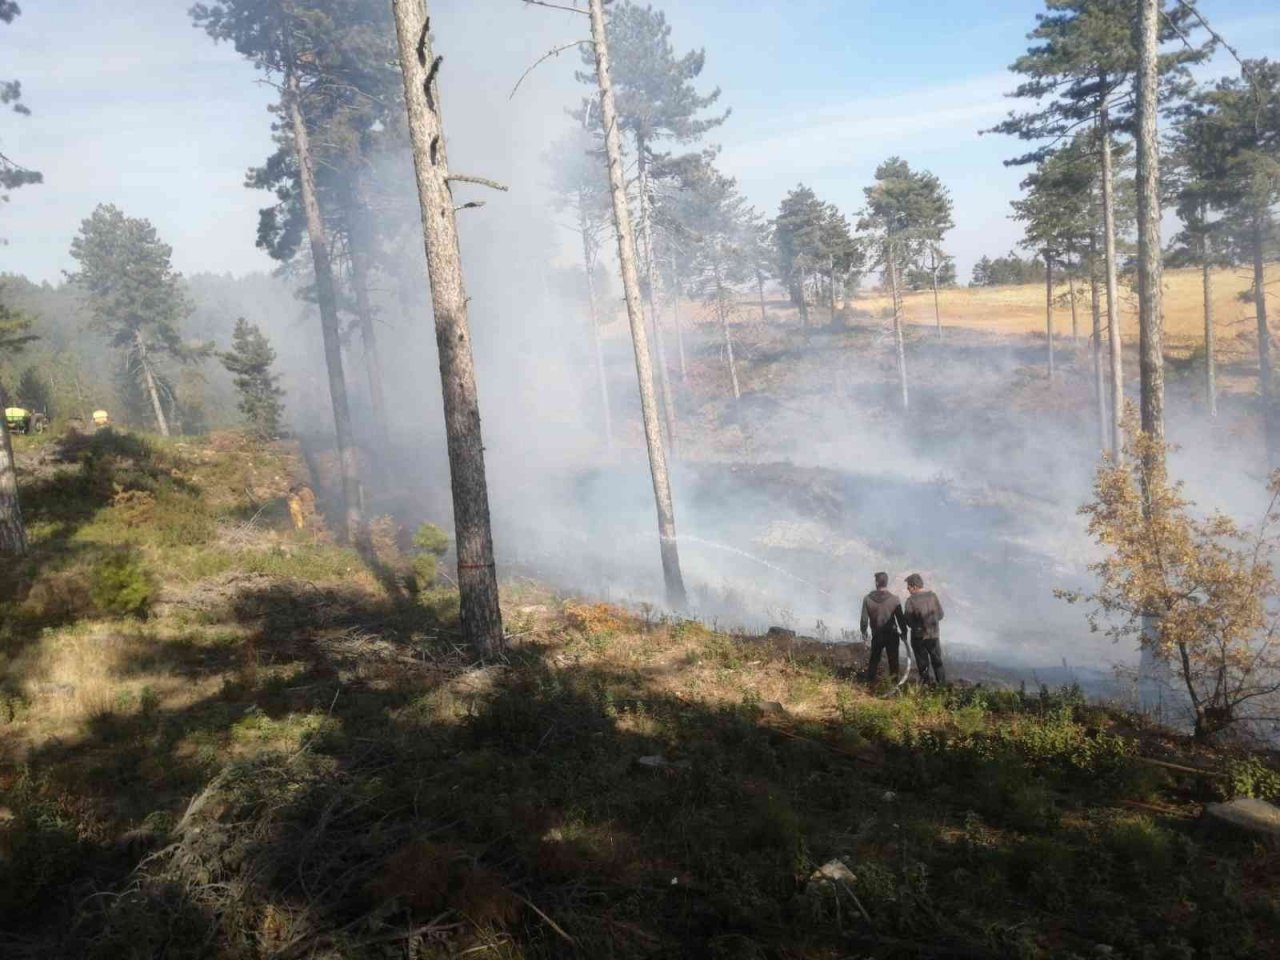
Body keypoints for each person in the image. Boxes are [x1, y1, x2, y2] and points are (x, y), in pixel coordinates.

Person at [860, 571, 907, 684]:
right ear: (886, 583)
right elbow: (901, 619)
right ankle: (894, 686)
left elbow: (864, 620)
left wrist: (864, 632)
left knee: (874, 660)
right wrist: (904, 632)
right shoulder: (894, 599)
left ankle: (870, 684)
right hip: (892, 635)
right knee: (893, 662)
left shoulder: (867, 599)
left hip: (877, 635)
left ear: (876, 583)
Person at [903, 573, 946, 686]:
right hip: (934, 636)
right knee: (937, 662)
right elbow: (941, 615)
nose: (907, 588)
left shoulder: (910, 601)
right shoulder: (933, 596)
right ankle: (942, 688)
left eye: (908, 586)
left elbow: (908, 622)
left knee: (923, 664)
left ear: (915, 586)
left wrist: (918, 627)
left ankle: (926, 688)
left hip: (919, 638)